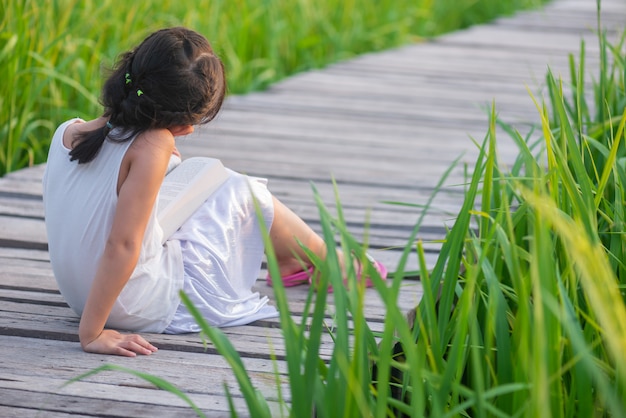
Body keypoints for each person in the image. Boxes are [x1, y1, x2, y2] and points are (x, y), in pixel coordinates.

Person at [42, 27, 385, 357]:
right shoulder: (150, 145)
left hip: (81, 294)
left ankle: (297, 258)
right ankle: (328, 261)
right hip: (131, 302)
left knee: (207, 181)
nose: (190, 129)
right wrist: (92, 334)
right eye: (190, 120)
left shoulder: (68, 132)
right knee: (241, 188)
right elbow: (123, 244)